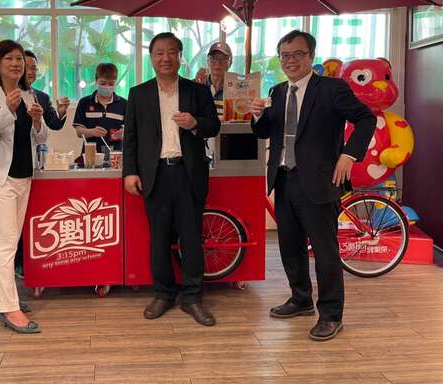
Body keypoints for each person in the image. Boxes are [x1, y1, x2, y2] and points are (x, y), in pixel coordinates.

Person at [251, 30, 375, 341]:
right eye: (285, 56)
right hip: (283, 178)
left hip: (320, 180)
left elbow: (365, 118)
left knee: (324, 251)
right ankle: (301, 298)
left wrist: (349, 154)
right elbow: (265, 132)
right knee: (290, 246)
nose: (291, 60)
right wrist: (257, 116)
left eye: (298, 54)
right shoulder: (278, 91)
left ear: (311, 56)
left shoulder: (332, 89)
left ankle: (331, 315)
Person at [123, 32, 221, 326]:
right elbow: (131, 138)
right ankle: (163, 293)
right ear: (152, 58)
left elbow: (213, 126)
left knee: (191, 238)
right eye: (159, 53)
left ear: (180, 56)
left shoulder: (197, 91)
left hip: (188, 174)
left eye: (171, 52)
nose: (165, 58)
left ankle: (192, 297)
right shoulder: (138, 94)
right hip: (155, 175)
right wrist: (130, 172)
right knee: (159, 238)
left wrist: (195, 123)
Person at [0, 39, 47, 334]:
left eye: (19, 60)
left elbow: (40, 138)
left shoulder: (28, 94)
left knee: (8, 241)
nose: (16, 64)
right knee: (6, 243)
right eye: (9, 59)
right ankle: (9, 308)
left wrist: (38, 122)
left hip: (24, 177)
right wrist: (7, 109)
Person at [73, 62, 126, 154]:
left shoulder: (124, 104)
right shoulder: (84, 102)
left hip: (115, 155)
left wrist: (122, 133)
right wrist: (92, 132)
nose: (107, 87)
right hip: (90, 154)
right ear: (96, 80)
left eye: (111, 84)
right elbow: (79, 132)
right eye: (103, 83)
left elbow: (131, 130)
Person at [24, 50, 70, 131]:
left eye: (33, 68)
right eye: (26, 67)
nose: (30, 72)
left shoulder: (43, 97)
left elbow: (55, 125)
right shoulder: (6, 93)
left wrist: (60, 112)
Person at [203, 42, 233, 118]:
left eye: (223, 58)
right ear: (208, 61)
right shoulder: (198, 85)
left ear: (230, 63)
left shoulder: (236, 89)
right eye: (213, 58)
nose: (218, 63)